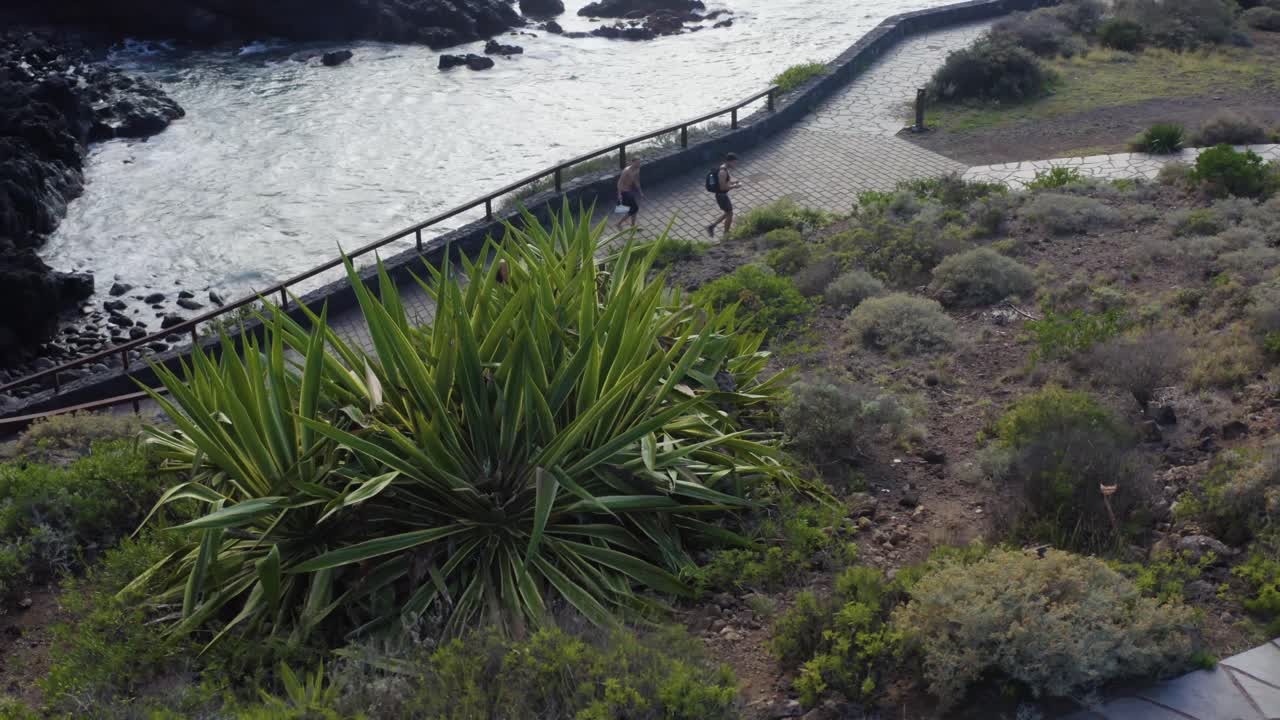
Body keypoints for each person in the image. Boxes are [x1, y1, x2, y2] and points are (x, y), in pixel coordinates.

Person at [707, 153, 740, 238]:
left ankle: (712, 227)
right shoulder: (723, 172)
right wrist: (735, 186)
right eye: (734, 162)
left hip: (722, 195)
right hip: (721, 196)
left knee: (728, 213)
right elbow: (722, 187)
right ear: (729, 161)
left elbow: (725, 182)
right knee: (730, 213)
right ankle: (726, 234)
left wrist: (734, 182)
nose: (735, 164)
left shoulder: (725, 169)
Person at [615, 157, 644, 230]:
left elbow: (637, 181)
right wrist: (619, 194)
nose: (638, 164)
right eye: (637, 163)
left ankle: (632, 226)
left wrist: (640, 192)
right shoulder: (626, 171)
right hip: (624, 192)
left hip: (630, 191)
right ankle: (619, 223)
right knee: (634, 209)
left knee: (633, 209)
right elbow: (620, 182)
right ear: (632, 162)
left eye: (639, 163)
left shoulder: (637, 169)